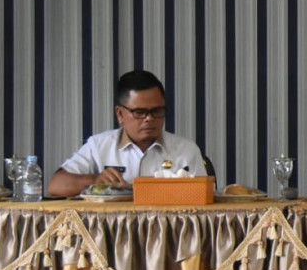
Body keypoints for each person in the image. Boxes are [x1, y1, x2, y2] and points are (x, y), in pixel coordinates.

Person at [48, 70, 207, 197]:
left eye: (157, 111)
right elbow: (56, 186)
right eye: (139, 112)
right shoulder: (99, 146)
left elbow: (205, 199)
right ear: (120, 114)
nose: (149, 119)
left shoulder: (186, 150)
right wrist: (95, 180)